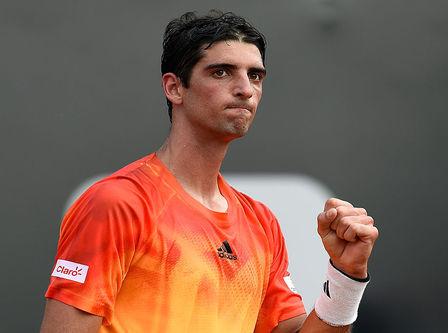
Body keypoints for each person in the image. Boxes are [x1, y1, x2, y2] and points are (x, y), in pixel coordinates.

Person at [40, 10, 378, 333]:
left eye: (255, 75)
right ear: (174, 88)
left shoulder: (260, 223)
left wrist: (346, 276)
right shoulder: (118, 203)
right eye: (221, 72)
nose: (245, 88)